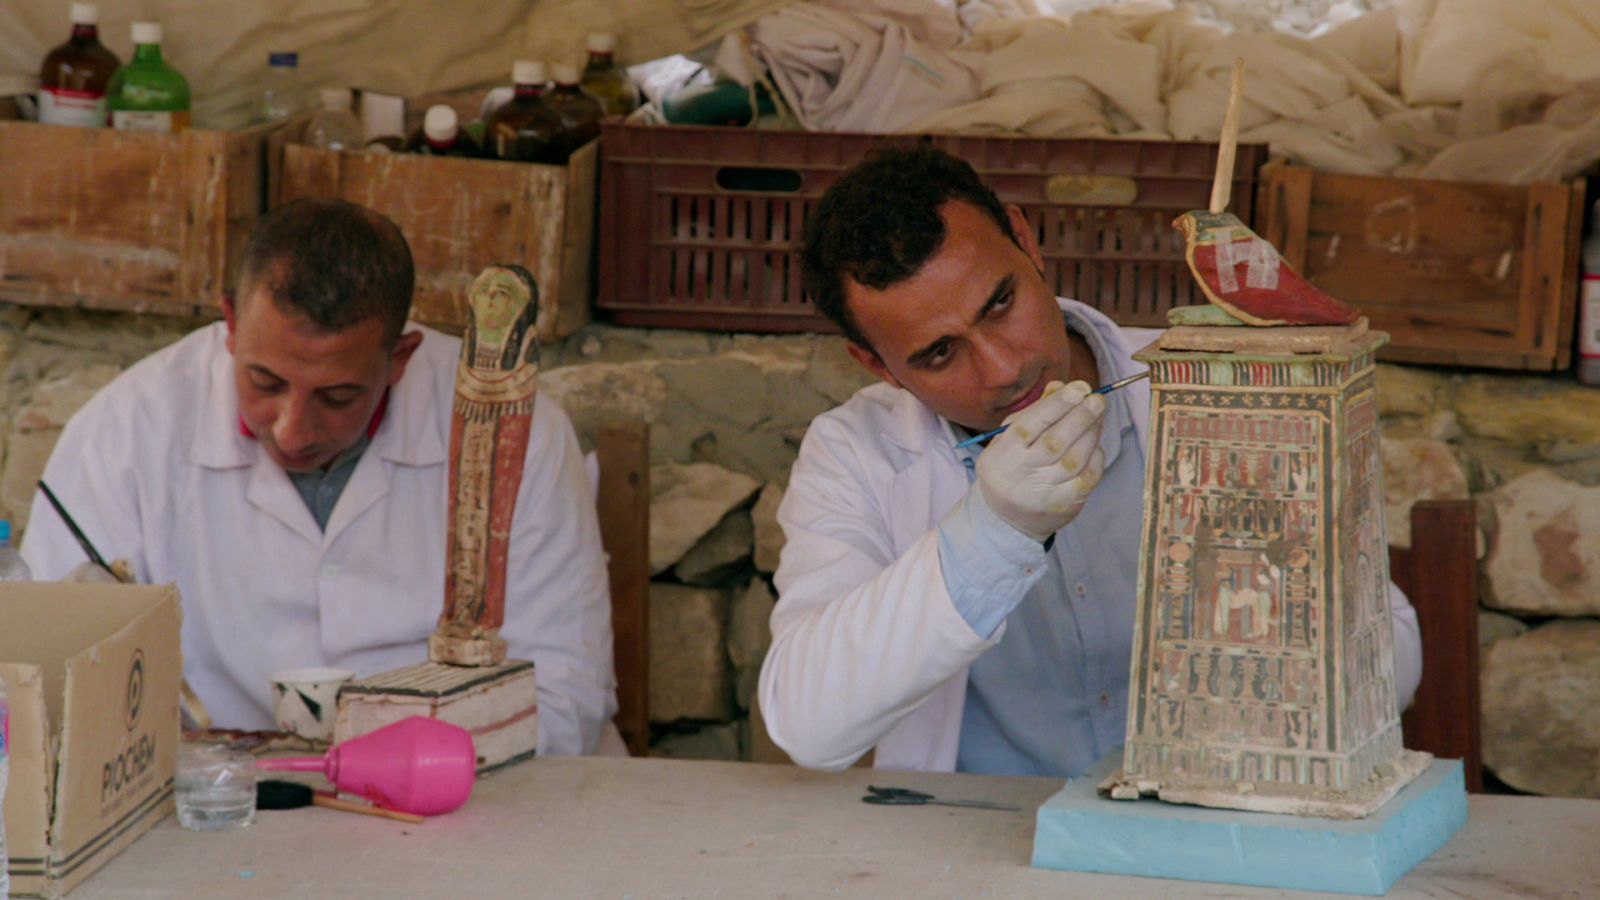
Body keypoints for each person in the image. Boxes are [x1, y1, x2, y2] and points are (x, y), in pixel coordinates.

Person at [757, 146, 1421, 776]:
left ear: (1026, 240)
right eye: (939, 354)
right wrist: (992, 533)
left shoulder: (1217, 386)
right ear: (878, 366)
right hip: (982, 849)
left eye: (1000, 305)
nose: (1005, 369)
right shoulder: (855, 454)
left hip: (1212, 824)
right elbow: (810, 725)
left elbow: (1392, 649)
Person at [22, 198, 616, 756]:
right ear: (230, 325)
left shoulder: (514, 429)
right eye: (265, 382)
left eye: (338, 396)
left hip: (468, 796)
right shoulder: (126, 431)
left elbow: (569, 695)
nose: (292, 430)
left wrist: (407, 765)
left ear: (400, 361)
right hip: (223, 795)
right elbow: (45, 672)